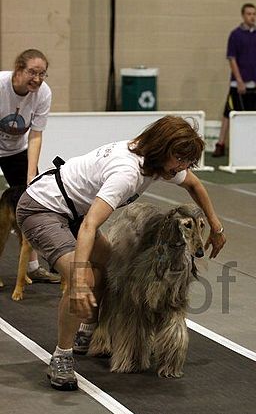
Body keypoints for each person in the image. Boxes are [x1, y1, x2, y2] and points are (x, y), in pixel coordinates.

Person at [16, 115, 226, 391]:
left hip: (73, 211)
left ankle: (86, 331)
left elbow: (194, 185)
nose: (183, 167)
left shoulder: (159, 161)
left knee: (109, 263)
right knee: (85, 277)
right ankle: (61, 358)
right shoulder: (127, 173)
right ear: (163, 149)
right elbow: (90, 226)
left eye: (187, 162)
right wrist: (78, 283)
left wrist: (216, 227)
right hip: (41, 209)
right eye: (180, 160)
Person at [0, 49, 60, 283]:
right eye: (32, 72)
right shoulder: (1, 86)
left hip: (17, 150)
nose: (37, 78)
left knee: (32, 203)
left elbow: (35, 135)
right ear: (18, 69)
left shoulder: (43, 93)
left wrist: (30, 177)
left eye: (42, 73)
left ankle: (32, 267)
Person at [212, 3, 256, 157]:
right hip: (238, 84)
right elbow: (232, 59)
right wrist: (239, 80)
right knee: (228, 113)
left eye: (254, 14)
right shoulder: (235, 35)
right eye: (249, 14)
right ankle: (220, 144)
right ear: (243, 15)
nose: (252, 16)